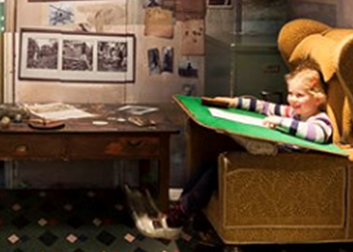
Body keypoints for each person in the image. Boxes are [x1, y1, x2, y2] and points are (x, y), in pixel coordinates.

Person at [140, 61, 332, 240]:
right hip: (271, 159)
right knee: (208, 164)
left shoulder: (320, 119)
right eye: (291, 94)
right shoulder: (294, 113)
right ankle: (180, 210)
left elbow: (317, 134)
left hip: (285, 167)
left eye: (300, 95)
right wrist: (233, 103)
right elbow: (264, 107)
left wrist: (280, 122)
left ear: (317, 97)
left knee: (216, 171)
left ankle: (176, 220)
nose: (293, 100)